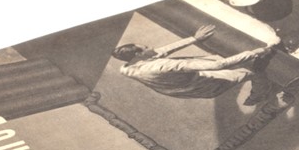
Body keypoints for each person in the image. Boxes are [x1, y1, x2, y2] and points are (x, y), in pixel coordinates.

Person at [109, 24, 277, 101]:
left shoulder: (128, 66)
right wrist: (256, 52)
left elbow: (161, 52)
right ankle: (259, 94)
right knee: (250, 70)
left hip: (176, 84)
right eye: (146, 47)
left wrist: (194, 39)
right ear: (138, 55)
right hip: (199, 86)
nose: (151, 47)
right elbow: (218, 66)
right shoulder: (161, 66)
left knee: (215, 57)